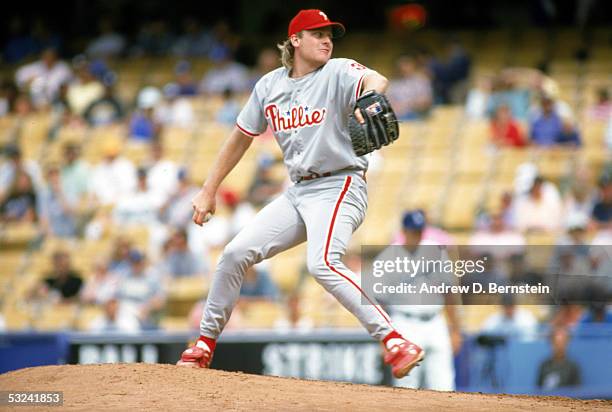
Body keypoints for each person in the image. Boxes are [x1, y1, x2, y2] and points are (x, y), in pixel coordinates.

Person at [177, 9, 424, 378]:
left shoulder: (338, 71)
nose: (327, 40)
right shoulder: (269, 86)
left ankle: (393, 339)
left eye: (330, 34)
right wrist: (209, 189)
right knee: (233, 254)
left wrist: (370, 96)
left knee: (322, 262)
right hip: (299, 191)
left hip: (341, 183)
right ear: (295, 41)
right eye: (318, 34)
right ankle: (204, 344)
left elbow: (377, 78)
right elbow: (240, 138)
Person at [381, 210, 462, 391]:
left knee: (444, 385)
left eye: (419, 231)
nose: (416, 236)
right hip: (405, 323)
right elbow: (380, 301)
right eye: (412, 231)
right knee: (406, 386)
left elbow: (449, 292)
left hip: (435, 322)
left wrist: (455, 329)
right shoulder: (390, 256)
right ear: (404, 231)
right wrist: (385, 337)